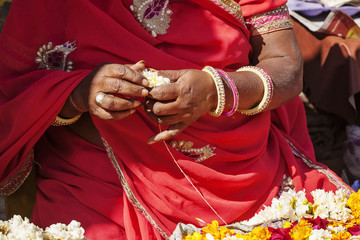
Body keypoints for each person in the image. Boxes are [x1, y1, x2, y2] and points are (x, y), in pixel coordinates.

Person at [0, 0, 352, 239]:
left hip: (247, 176)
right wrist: (81, 93)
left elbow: (287, 68)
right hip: (101, 185)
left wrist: (217, 91)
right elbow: (14, 92)